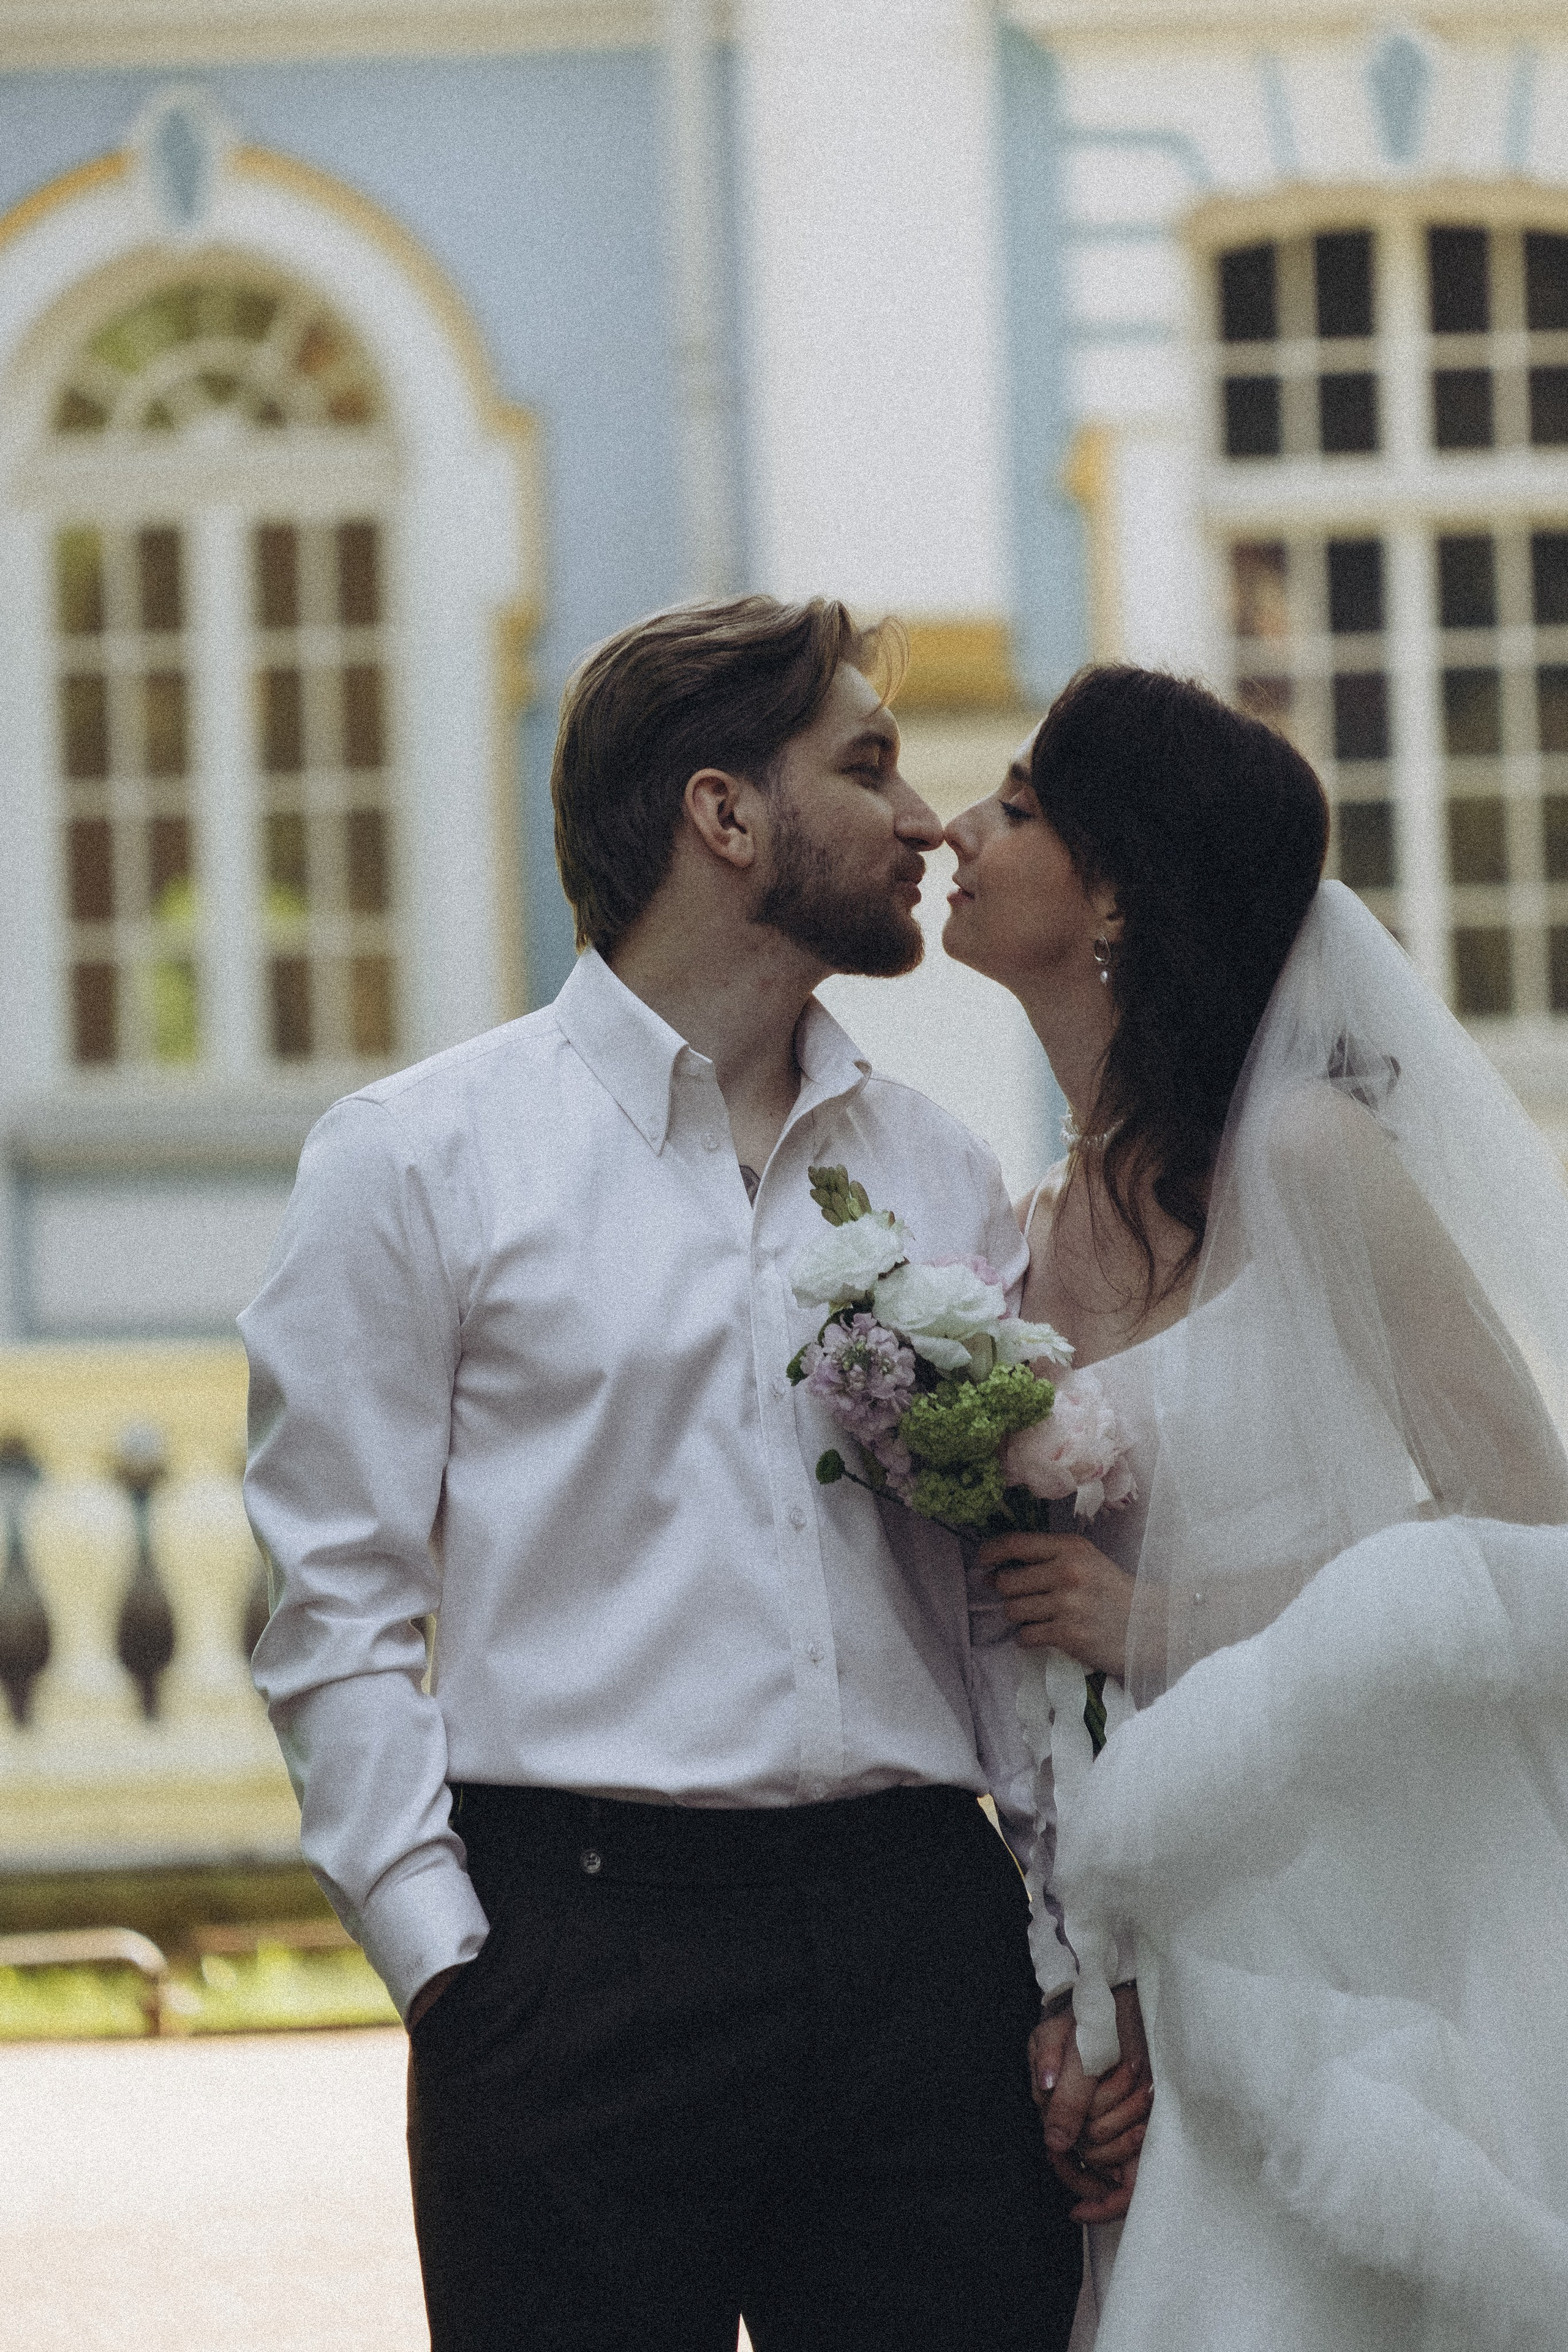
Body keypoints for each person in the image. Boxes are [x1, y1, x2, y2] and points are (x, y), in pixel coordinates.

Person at [241, 594, 1087, 2352]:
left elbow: (1001, 1606)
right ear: (726, 817)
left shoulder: (940, 1176)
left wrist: (1070, 1959)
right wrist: (454, 1973)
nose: (927, 820)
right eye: (868, 767)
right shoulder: (419, 1163)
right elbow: (333, 1611)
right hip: (576, 1968)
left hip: (925, 1953)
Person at [942, 664, 1568, 2350]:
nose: (958, 832)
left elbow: (1532, 1522)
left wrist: (1173, 1623)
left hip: (1353, 1901)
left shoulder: (1308, 1159)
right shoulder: (1013, 1241)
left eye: (1011, 807)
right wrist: (1086, 1990)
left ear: (1115, 890)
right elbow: (1024, 1676)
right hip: (1157, 1922)